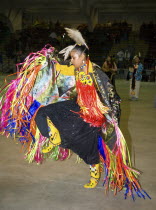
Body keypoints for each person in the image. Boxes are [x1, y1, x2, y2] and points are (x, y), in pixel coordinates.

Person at [0, 29, 150, 200]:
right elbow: (61, 70)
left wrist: (111, 119)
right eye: (70, 57)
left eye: (73, 57)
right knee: (44, 111)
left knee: (98, 147)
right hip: (79, 107)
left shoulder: (97, 73)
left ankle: (106, 175)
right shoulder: (76, 70)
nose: (71, 61)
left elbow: (113, 97)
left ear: (83, 57)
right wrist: (47, 62)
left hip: (96, 114)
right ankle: (52, 137)